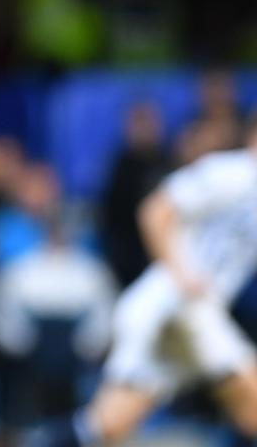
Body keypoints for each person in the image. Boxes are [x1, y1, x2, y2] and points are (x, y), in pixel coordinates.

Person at [40, 122, 257, 446]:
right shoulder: (232, 171)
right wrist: (180, 274)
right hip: (174, 306)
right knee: (250, 395)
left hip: (185, 315)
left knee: (104, 426)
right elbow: (155, 210)